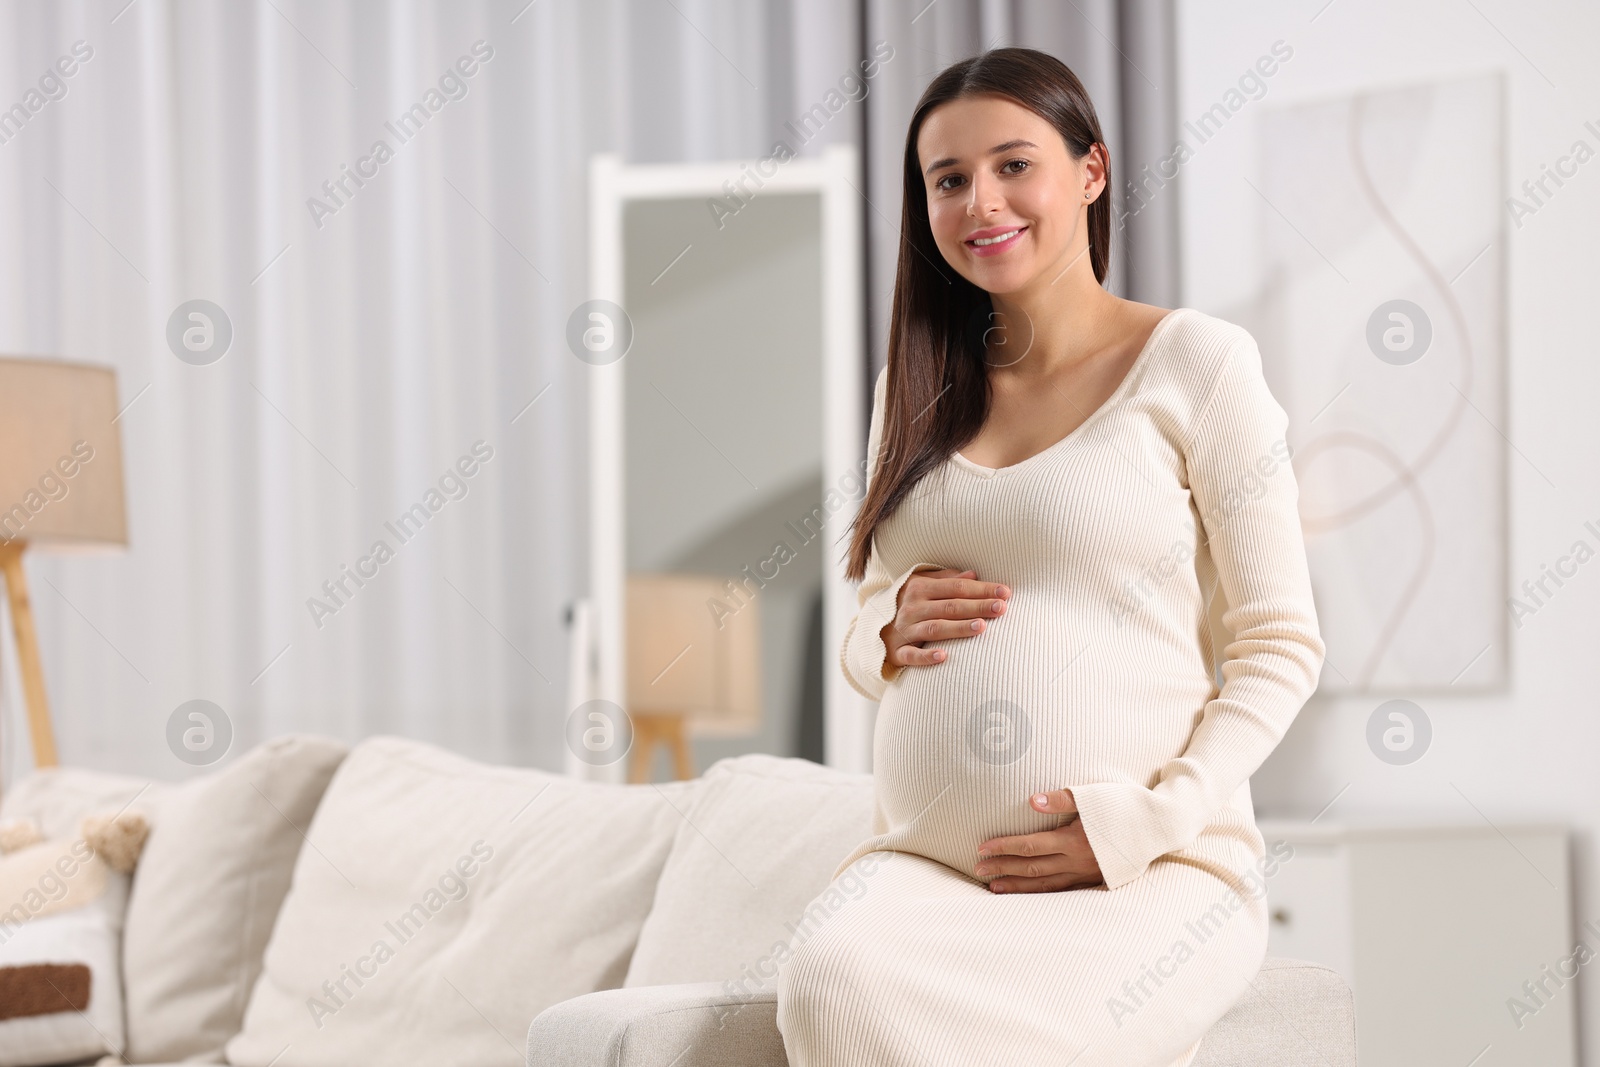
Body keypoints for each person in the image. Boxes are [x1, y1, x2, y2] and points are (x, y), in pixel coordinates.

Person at [773, 47, 1326, 1066]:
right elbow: (866, 619)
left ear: (1091, 171)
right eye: (947, 179)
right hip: (928, 871)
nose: (980, 198)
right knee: (828, 978)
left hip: (1149, 868)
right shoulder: (916, 386)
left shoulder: (1198, 363)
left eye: (1012, 163)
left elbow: (1280, 643)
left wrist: (1149, 816)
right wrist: (882, 632)